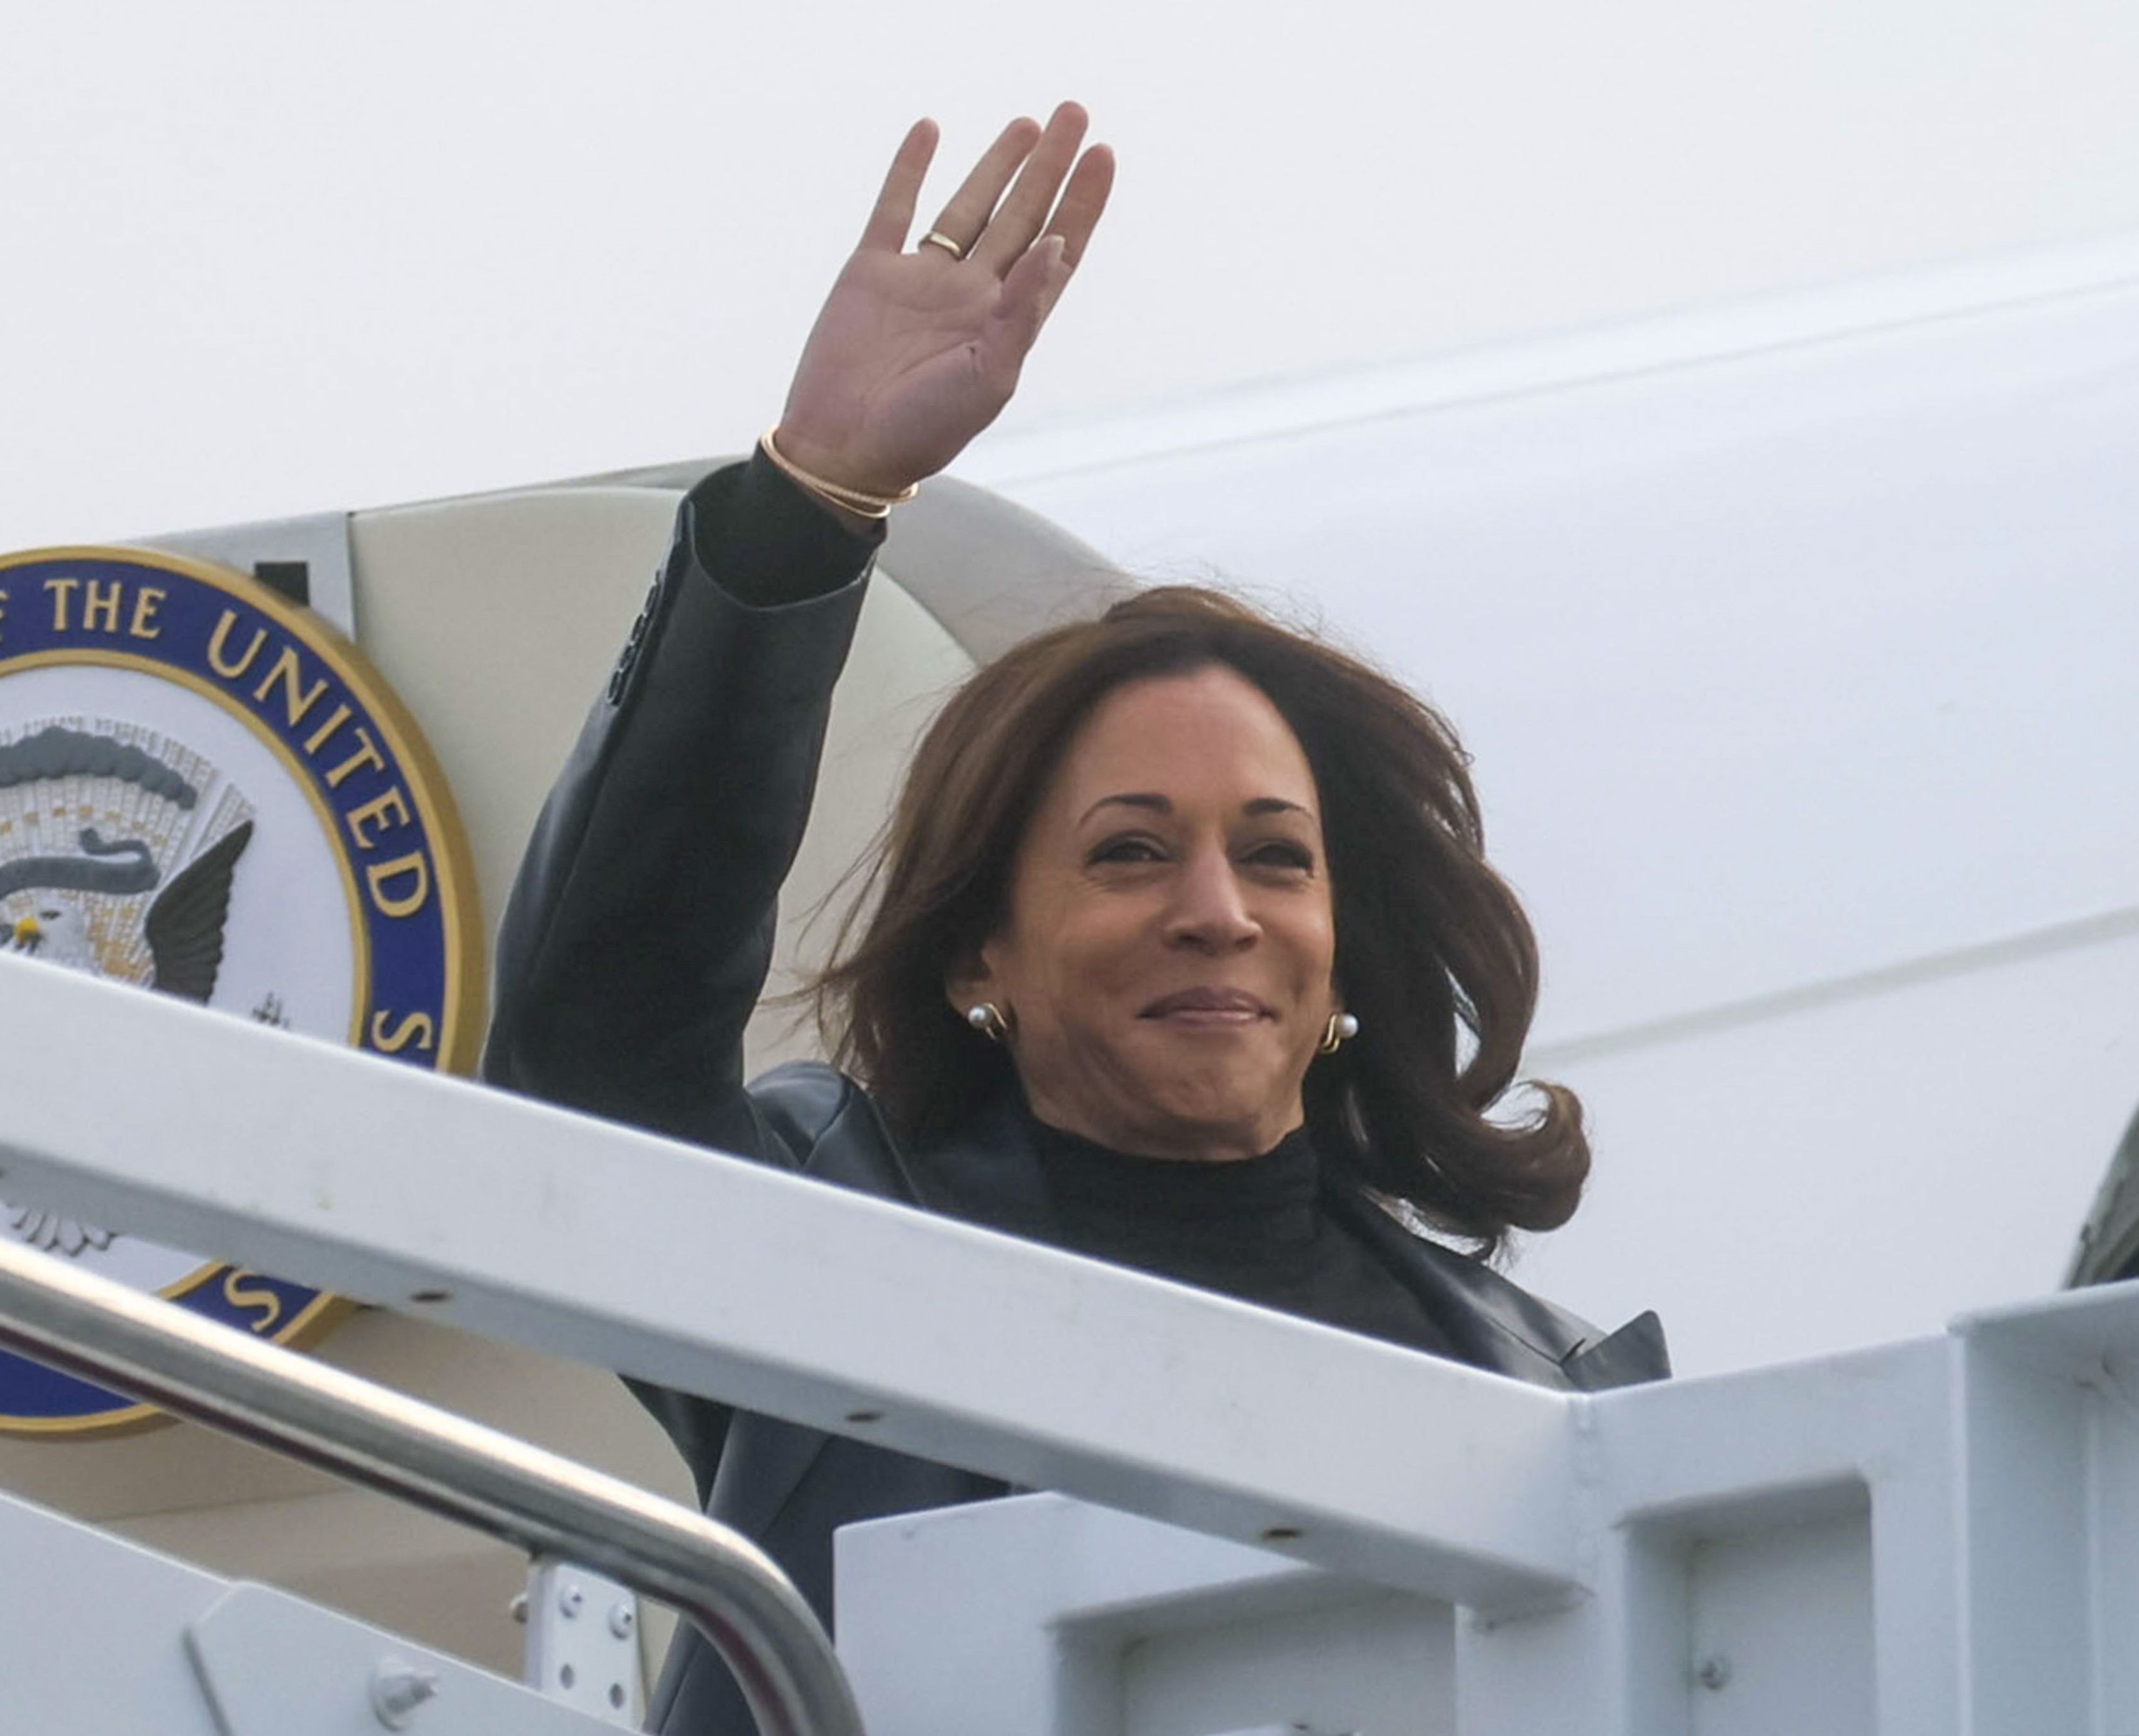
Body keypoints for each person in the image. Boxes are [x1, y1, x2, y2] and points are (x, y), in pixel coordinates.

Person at [482, 103, 1667, 1736]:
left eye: (1274, 857)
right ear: (982, 954)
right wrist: (805, 502)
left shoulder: (1554, 1401)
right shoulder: (828, 1262)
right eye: (1126, 854)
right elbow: (597, 1029)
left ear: (1338, 954)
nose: (1213, 912)